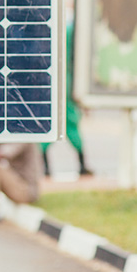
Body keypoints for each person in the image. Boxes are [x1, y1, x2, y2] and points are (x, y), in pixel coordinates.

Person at [41, 21, 93, 177]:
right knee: (71, 124)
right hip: (67, 82)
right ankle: (82, 165)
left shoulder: (49, 25)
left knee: (47, 125)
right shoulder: (74, 28)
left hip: (50, 81)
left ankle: (45, 167)